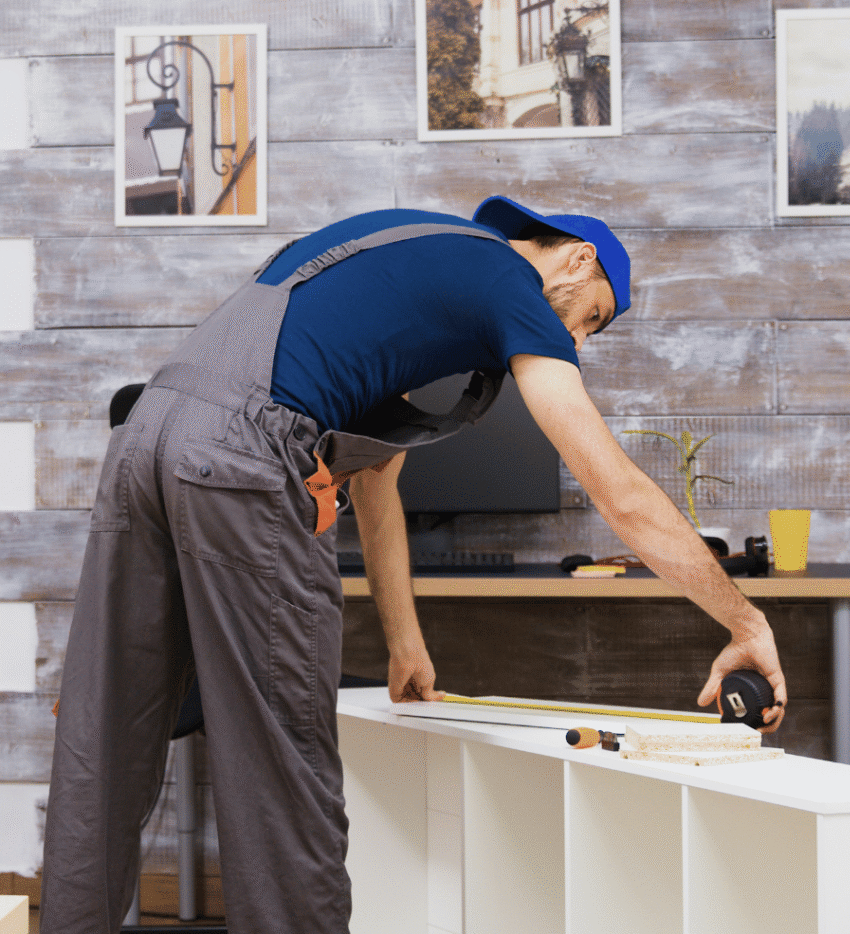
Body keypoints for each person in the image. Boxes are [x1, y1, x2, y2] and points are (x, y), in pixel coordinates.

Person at [40, 196, 787, 934]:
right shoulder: (509, 283)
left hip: (143, 439)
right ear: (577, 258)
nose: (580, 341)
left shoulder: (416, 254)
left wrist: (405, 643)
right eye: (593, 316)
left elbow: (376, 481)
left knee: (104, 735)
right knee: (282, 771)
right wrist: (744, 620)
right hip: (239, 457)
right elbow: (616, 492)